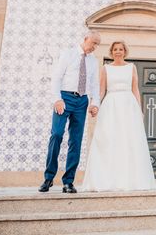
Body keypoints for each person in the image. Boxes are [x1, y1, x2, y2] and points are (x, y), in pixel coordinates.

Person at [82, 40, 156, 191]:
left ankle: (131, 180)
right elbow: (101, 90)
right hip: (111, 105)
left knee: (129, 140)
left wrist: (139, 108)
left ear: (124, 51)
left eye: (120, 49)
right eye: (115, 49)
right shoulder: (105, 68)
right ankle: (107, 179)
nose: (117, 51)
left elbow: (135, 89)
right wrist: (95, 104)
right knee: (109, 139)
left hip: (129, 106)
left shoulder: (131, 67)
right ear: (111, 51)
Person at [39, 30, 101, 193]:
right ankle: (48, 177)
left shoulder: (93, 61)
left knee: (76, 140)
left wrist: (95, 103)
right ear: (86, 39)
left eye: (97, 44)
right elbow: (57, 77)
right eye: (94, 42)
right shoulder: (68, 54)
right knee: (57, 135)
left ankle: (68, 181)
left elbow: (94, 84)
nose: (95, 47)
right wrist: (57, 99)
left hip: (82, 101)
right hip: (64, 98)